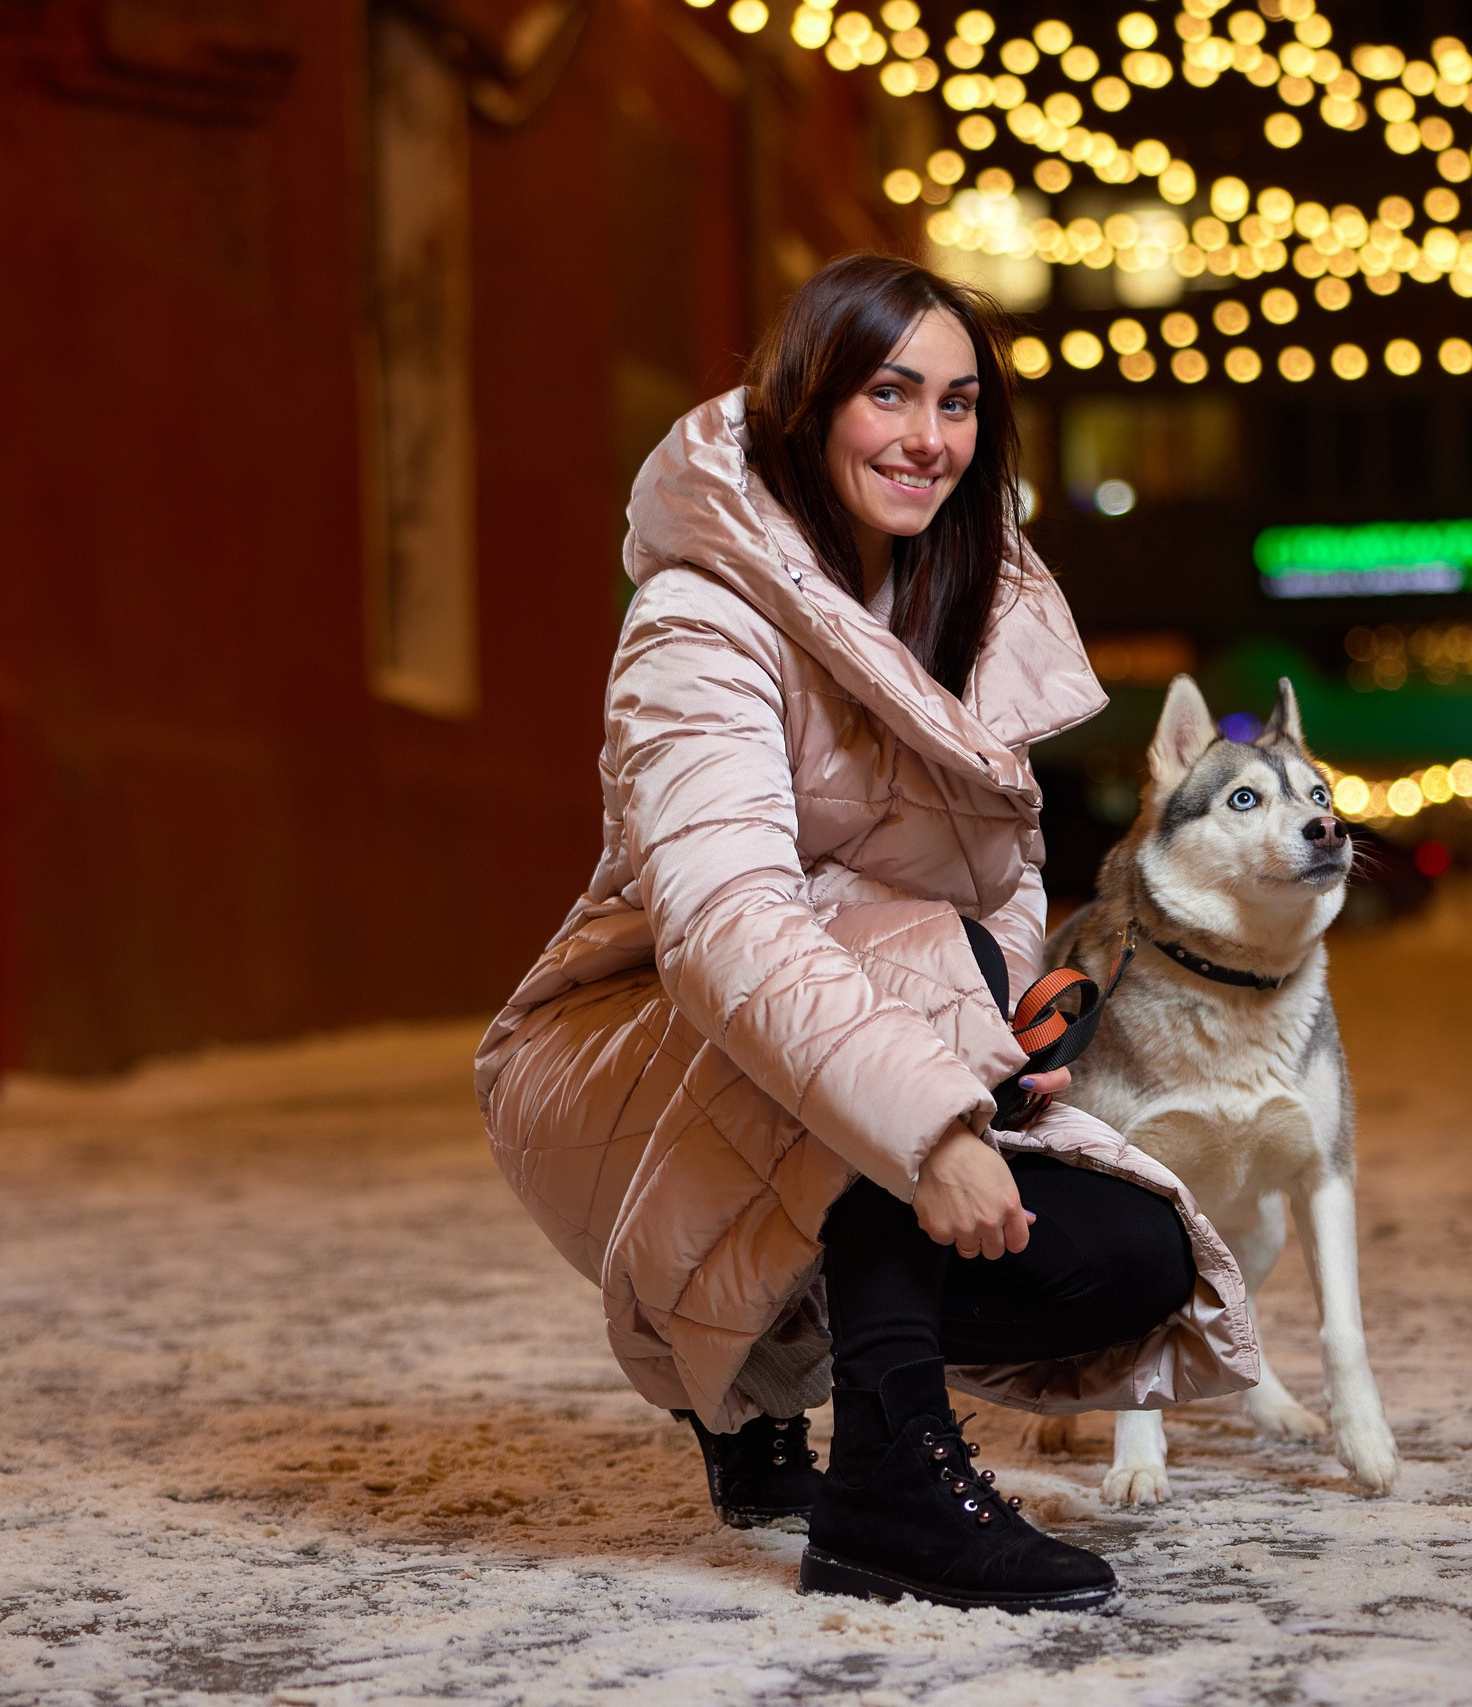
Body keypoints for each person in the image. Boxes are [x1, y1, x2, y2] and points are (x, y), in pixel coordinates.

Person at [473, 254, 1258, 1613]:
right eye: (888, 393)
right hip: (629, 1057)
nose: (927, 438)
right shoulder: (699, 616)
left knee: (1134, 1257)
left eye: (957, 404)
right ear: (806, 401)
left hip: (832, 1050)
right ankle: (891, 1482)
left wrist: (999, 1031)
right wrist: (935, 1123)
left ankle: (761, 1371)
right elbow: (726, 927)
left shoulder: (959, 609)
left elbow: (991, 895)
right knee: (885, 986)